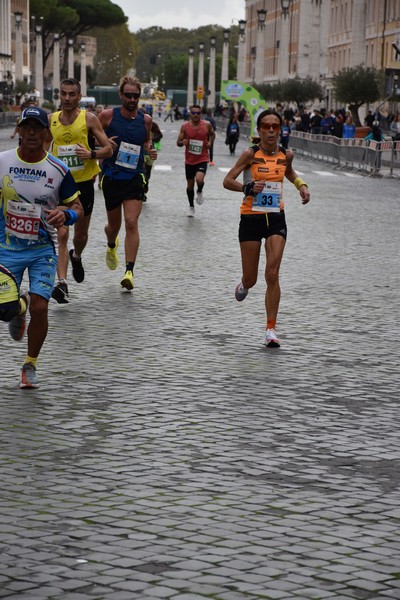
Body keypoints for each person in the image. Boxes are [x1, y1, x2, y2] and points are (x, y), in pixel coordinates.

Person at [0, 106, 83, 388]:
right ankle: (17, 307)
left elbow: (77, 207)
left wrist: (67, 215)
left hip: (42, 250)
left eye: (38, 127)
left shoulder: (58, 170)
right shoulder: (2, 162)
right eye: (27, 127)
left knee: (41, 306)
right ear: (19, 131)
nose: (32, 132)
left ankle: (30, 364)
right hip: (6, 248)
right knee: (4, 310)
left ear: (47, 132)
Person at [223, 109, 311, 348]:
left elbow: (289, 173)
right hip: (250, 218)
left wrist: (301, 186)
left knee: (272, 273)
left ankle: (270, 328)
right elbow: (227, 180)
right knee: (251, 279)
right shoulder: (249, 155)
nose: (271, 130)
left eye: (275, 126)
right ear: (259, 130)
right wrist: (248, 188)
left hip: (275, 219)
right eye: (266, 126)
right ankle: (243, 284)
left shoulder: (286, 155)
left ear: (281, 129)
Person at [48, 78, 112, 303]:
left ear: (79, 96)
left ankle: (77, 256)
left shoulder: (89, 119)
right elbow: (44, 151)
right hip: (59, 184)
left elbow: (108, 149)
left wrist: (91, 154)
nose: (67, 98)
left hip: (83, 184)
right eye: (63, 94)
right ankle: (62, 284)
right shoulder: (51, 120)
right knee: (62, 232)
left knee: (80, 235)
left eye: (71, 94)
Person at [98, 76, 157, 291]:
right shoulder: (107, 116)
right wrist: (103, 143)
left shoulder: (146, 120)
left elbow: (146, 140)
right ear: (121, 95)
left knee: (132, 222)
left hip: (134, 176)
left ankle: (129, 271)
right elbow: (91, 137)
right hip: (113, 177)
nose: (132, 99)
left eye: (136, 96)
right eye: (128, 95)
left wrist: (150, 150)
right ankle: (111, 243)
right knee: (114, 226)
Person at [176, 104, 215, 217]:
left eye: (198, 113)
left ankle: (200, 190)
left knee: (199, 179)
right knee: (189, 185)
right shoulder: (185, 126)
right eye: (194, 113)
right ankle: (191, 207)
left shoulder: (207, 125)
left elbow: (212, 135)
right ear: (190, 113)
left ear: (201, 114)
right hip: (189, 160)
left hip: (202, 158)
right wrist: (182, 143)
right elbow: (178, 142)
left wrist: (210, 143)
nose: (196, 115)